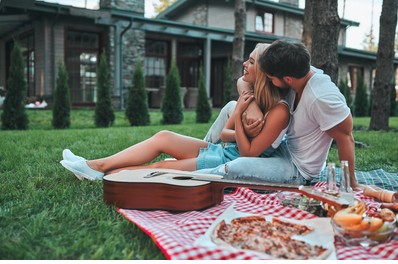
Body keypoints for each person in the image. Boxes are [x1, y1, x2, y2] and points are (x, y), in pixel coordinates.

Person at [60, 44, 291, 181]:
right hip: (222, 149)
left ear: (263, 71)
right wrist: (242, 109)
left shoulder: (278, 110)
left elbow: (248, 154)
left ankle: (103, 173)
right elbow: (225, 135)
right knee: (163, 137)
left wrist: (240, 122)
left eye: (251, 61)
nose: (244, 64)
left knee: (158, 169)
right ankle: (95, 165)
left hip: (229, 159)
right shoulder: (249, 95)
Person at [198, 39, 367, 191]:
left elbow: (346, 137)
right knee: (231, 106)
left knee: (236, 167)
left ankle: (189, 178)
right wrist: (253, 106)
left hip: (297, 168)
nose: (270, 82)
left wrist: (350, 182)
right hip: (283, 146)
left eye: (271, 79)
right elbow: (243, 81)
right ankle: (201, 152)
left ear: (287, 79)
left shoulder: (322, 98)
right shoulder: (293, 67)